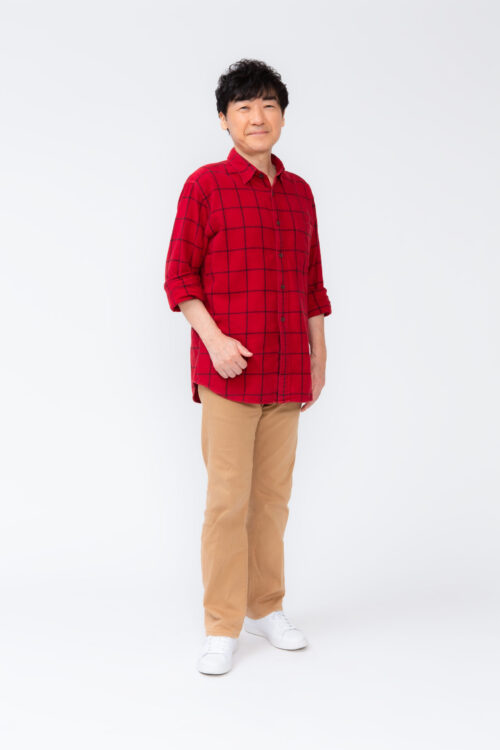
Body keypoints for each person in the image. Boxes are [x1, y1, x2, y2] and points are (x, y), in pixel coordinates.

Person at [164, 59, 332, 675]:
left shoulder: (300, 193)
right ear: (224, 119)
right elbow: (179, 277)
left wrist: (318, 355)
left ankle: (267, 606)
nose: (257, 117)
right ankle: (221, 624)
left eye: (268, 105)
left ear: (282, 115)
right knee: (227, 503)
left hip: (288, 370)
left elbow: (312, 284)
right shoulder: (205, 186)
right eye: (244, 107)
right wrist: (214, 342)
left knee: (273, 501)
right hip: (230, 374)